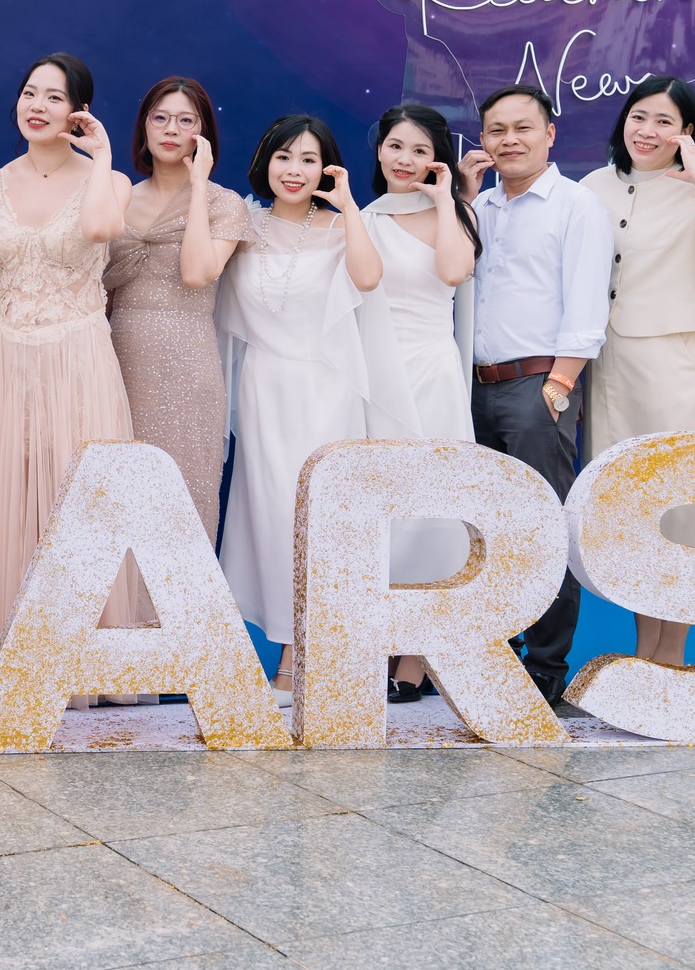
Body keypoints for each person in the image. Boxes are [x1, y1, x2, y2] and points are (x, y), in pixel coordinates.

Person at [0, 53, 150, 703]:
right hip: (6, 354)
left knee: (78, 500)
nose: (37, 106)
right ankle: (15, 656)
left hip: (78, 354)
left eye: (53, 96)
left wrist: (101, 156)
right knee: (9, 497)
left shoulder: (111, 181)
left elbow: (101, 228)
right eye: (29, 93)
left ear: (78, 110)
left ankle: (85, 662)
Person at [580, 76, 695, 666]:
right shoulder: (592, 186)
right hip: (604, 366)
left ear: (686, 132)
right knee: (627, 511)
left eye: (664, 121)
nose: (647, 131)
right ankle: (645, 649)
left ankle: (672, 655)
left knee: (679, 507)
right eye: (639, 116)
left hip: (670, 361)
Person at [218, 115, 383, 706]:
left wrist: (349, 206)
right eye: (284, 157)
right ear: (265, 161)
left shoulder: (340, 227)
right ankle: (285, 644)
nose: (295, 170)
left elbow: (368, 277)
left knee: (318, 520)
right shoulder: (243, 222)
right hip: (263, 388)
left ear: (327, 168)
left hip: (325, 390)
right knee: (268, 518)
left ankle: (300, 661)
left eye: (309, 160)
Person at [457, 83, 611, 706]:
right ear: (482, 140)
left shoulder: (577, 205)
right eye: (497, 130)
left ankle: (546, 664)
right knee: (484, 531)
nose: (509, 140)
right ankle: (494, 651)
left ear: (550, 133)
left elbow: (586, 302)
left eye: (523, 128)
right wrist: (462, 199)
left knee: (543, 528)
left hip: (538, 386)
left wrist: (560, 384)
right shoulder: (479, 206)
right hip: (473, 386)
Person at [359, 103, 480, 702]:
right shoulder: (361, 217)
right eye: (396, 147)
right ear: (379, 149)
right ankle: (380, 642)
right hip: (374, 377)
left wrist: (445, 200)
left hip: (432, 373)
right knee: (382, 514)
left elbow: (455, 272)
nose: (405, 160)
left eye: (419, 150)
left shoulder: (453, 213)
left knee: (433, 508)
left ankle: (418, 657)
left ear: (437, 159)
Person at [105, 76, 251, 542]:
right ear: (144, 127)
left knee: (183, 494)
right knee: (114, 496)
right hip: (114, 360)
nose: (171, 129)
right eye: (160, 118)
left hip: (187, 365)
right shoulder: (117, 196)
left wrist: (198, 185)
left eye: (186, 120)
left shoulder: (224, 203)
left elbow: (197, 272)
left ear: (203, 133)